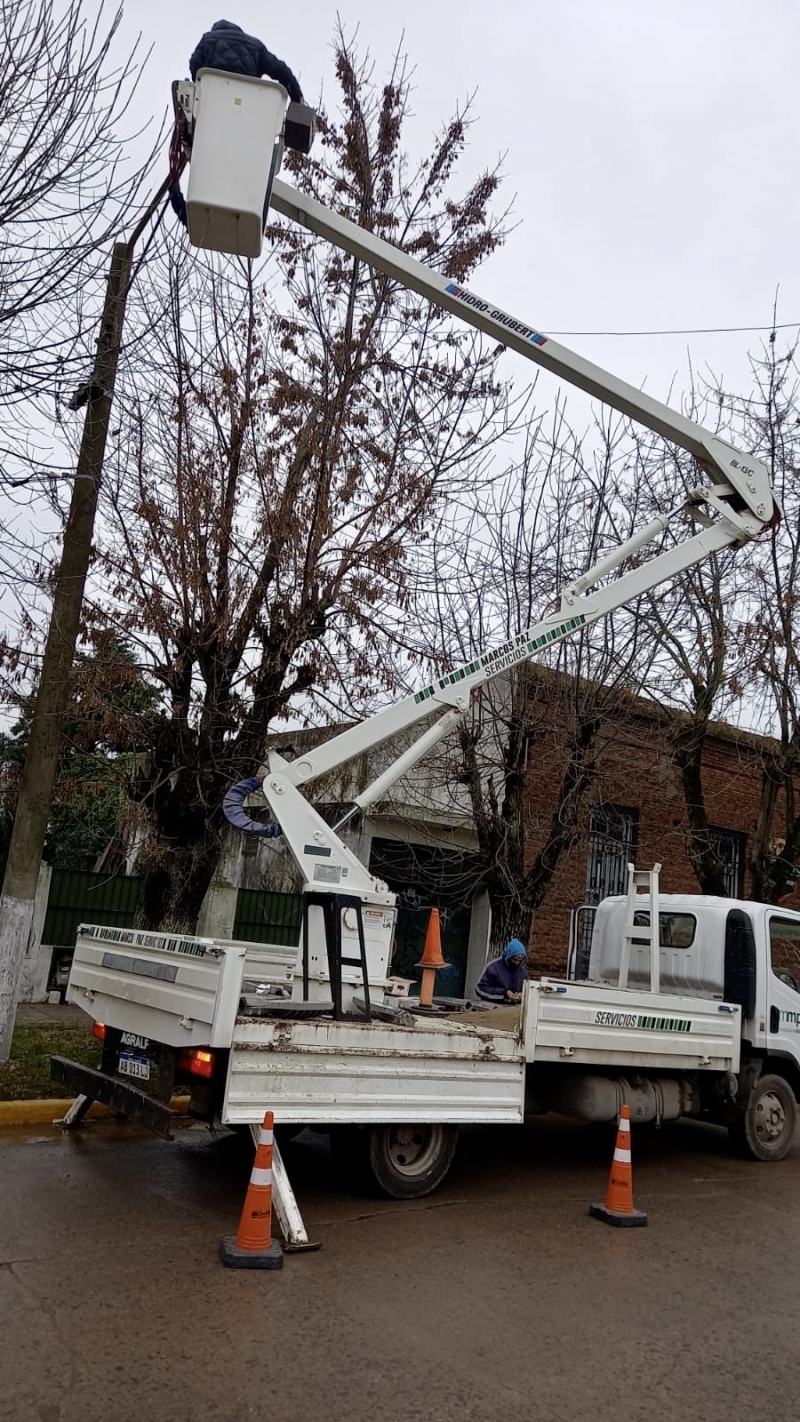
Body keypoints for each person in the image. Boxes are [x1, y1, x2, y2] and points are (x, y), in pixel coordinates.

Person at [189, 20, 304, 101]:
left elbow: (194, 64)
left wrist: (198, 84)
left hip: (211, 99)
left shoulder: (208, 38)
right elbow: (281, 69)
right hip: (246, 105)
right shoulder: (255, 45)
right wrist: (297, 97)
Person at [476, 939, 529, 1003]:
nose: (517, 963)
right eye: (515, 960)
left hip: (514, 1010)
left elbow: (529, 993)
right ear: (508, 956)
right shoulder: (493, 968)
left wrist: (523, 995)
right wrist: (503, 994)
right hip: (493, 1008)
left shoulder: (523, 973)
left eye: (520, 961)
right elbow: (479, 989)